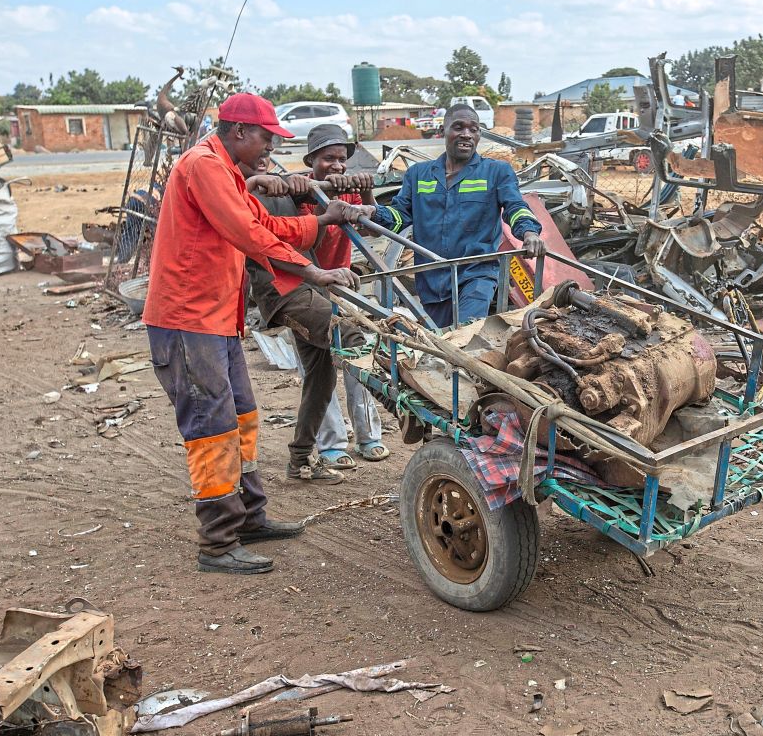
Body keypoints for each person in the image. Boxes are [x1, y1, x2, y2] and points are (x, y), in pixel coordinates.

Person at [143, 92, 365, 575]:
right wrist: (312, 272)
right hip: (187, 320)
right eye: (267, 137)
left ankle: (248, 517)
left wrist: (320, 221)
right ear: (240, 131)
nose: (271, 148)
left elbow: (264, 221)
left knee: (242, 417)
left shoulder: (227, 171)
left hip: (218, 319)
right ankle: (218, 542)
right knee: (212, 428)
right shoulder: (203, 166)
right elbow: (247, 232)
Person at [245, 124, 390, 478]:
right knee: (353, 336)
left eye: (269, 154)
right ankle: (400, 405)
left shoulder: (292, 188)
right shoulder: (248, 194)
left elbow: (362, 225)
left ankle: (300, 458)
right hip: (285, 291)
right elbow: (271, 241)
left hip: (316, 286)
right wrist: (316, 212)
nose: (265, 161)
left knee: (321, 375)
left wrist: (345, 194)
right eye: (258, 156)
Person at [367, 103, 544, 328]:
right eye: (458, 127)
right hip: (432, 280)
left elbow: (515, 206)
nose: (466, 134)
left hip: (477, 274)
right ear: (443, 130)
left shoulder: (496, 172)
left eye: (474, 129)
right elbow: (399, 216)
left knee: (466, 333)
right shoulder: (418, 175)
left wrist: (529, 232)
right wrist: (373, 211)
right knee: (442, 341)